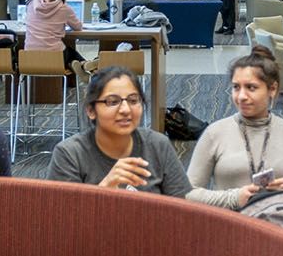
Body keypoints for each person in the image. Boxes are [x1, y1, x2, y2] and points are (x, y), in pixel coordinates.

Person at [187, 46, 283, 209]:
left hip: (276, 226)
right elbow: (188, 193)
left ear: (272, 89)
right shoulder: (215, 133)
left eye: (251, 88)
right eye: (236, 87)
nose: (241, 96)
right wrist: (233, 198)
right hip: (229, 226)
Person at [49, 66, 191, 196]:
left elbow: (184, 212)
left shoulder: (158, 145)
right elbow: (63, 219)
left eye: (133, 100)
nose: (125, 110)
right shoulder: (70, 154)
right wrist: (104, 189)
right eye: (112, 102)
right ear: (91, 110)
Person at [25, 0, 86, 71]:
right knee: (70, 52)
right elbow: (78, 27)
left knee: (69, 53)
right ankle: (85, 65)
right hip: (55, 55)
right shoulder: (63, 8)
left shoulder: (31, 4)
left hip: (29, 56)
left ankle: (82, 65)